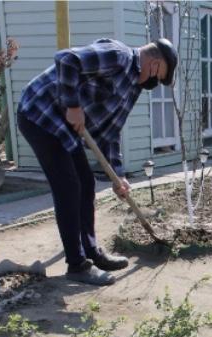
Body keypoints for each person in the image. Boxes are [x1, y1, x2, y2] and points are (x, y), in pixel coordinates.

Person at [17, 38, 177, 286]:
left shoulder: (133, 86)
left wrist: (118, 175)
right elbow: (67, 59)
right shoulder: (117, 56)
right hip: (40, 113)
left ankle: (91, 252)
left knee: (86, 183)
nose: (153, 84)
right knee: (69, 187)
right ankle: (77, 265)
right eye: (158, 77)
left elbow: (111, 132)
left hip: (66, 129)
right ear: (154, 63)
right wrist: (73, 105)